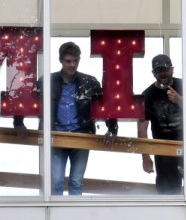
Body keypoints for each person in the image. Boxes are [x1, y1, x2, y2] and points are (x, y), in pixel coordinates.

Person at [13, 42, 118, 196]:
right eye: (68, 61)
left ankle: (74, 218)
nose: (72, 64)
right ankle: (57, 219)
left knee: (76, 181)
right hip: (55, 137)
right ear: (61, 60)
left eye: (75, 61)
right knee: (56, 181)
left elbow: (105, 105)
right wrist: (18, 122)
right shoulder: (47, 81)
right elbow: (26, 98)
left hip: (82, 136)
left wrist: (112, 129)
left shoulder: (89, 82)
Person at [139, 54, 186, 194]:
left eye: (165, 70)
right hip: (164, 150)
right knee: (168, 194)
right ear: (153, 73)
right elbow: (142, 129)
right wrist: (145, 157)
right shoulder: (147, 95)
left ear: (172, 69)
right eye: (158, 71)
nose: (162, 74)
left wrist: (179, 100)